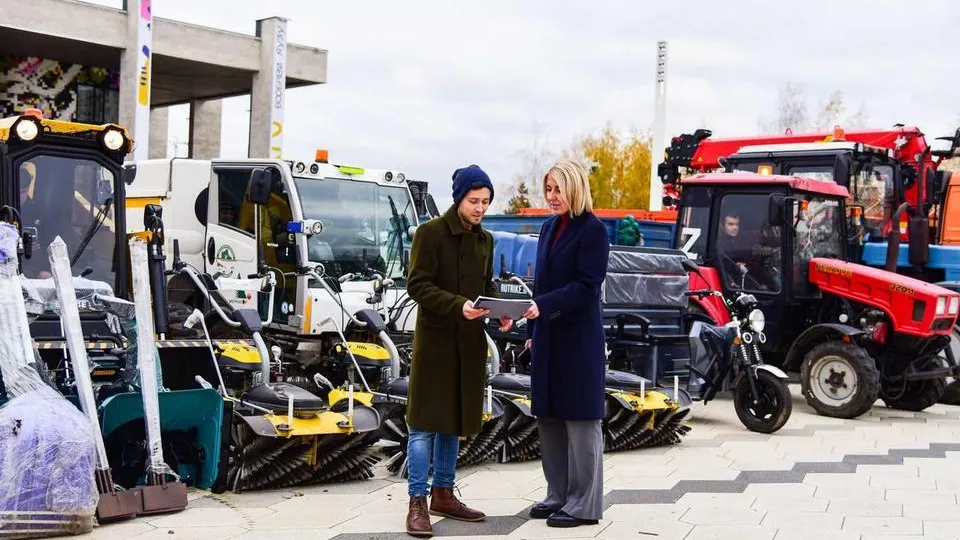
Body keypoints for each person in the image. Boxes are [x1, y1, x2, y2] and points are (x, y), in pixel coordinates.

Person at [403, 164, 513, 537]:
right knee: (423, 426)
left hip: (468, 344)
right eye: (474, 201)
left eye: (485, 202)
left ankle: (444, 494)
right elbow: (417, 285)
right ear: (458, 199)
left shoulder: (486, 240)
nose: (480, 208)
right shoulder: (429, 233)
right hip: (435, 342)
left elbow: (486, 285)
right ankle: (417, 502)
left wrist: (499, 311)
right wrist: (458, 306)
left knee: (452, 422)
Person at [521, 159, 609, 528]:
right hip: (547, 337)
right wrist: (530, 334)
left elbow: (587, 287)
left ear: (575, 188)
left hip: (577, 339)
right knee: (550, 417)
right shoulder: (547, 228)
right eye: (549, 189)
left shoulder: (593, 231)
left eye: (559, 189)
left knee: (580, 420)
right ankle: (557, 494)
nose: (552, 197)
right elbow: (541, 285)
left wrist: (543, 307)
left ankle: (584, 504)